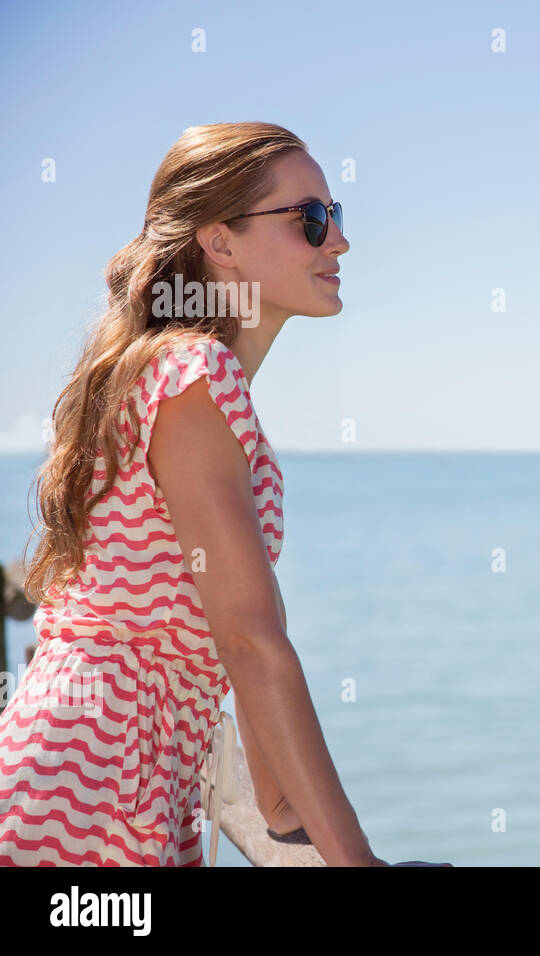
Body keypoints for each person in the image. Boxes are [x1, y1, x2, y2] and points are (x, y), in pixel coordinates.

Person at [0, 121, 393, 866]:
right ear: (220, 243)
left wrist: (281, 808)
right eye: (311, 220)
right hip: (91, 781)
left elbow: (240, 632)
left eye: (336, 217)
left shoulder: (181, 377)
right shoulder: (195, 378)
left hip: (117, 772)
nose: (337, 242)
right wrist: (357, 862)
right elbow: (249, 640)